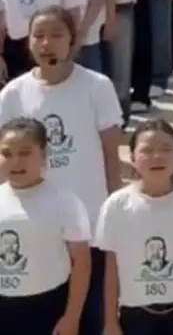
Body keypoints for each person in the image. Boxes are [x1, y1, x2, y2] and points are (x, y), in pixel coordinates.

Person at [0, 6, 123, 333]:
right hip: (38, 229)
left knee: (91, 316)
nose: (46, 43)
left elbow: (112, 155)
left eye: (56, 35)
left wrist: (116, 210)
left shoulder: (96, 86)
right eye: (38, 35)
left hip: (90, 224)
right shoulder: (13, 94)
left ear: (73, 39)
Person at [94, 120, 173, 335]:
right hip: (137, 316)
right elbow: (111, 268)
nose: (157, 156)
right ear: (133, 158)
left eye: (166, 149)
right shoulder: (116, 206)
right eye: (147, 150)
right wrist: (110, 321)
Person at [0, 117, 92, 334]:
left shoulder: (66, 202)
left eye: (25, 153)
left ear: (43, 155)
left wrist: (72, 317)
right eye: (7, 153)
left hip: (48, 308)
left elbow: (81, 262)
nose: (16, 161)